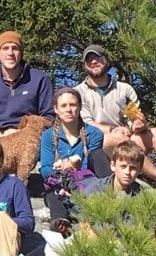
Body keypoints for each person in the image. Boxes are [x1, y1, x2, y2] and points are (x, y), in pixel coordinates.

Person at [74, 44, 156, 188]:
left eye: (97, 58)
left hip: (126, 138)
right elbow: (86, 123)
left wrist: (138, 124)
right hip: (97, 145)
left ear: (106, 60)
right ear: (85, 65)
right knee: (118, 138)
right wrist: (112, 130)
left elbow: (133, 116)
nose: (93, 62)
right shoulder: (78, 92)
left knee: (155, 134)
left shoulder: (124, 89)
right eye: (89, 60)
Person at [40, 87, 111, 228]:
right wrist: (62, 171)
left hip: (88, 184)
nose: (69, 110)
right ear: (56, 109)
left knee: (99, 154)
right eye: (63, 106)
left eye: (73, 105)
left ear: (79, 107)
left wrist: (71, 166)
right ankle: (60, 224)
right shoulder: (48, 136)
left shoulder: (94, 134)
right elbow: (45, 169)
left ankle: (110, 198)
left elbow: (94, 163)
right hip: (60, 184)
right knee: (51, 195)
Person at [0, 30, 54, 137]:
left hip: (28, 138)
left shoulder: (40, 79)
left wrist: (23, 132)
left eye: (15, 48)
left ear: (21, 53)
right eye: (5, 48)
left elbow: (49, 118)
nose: (10, 53)